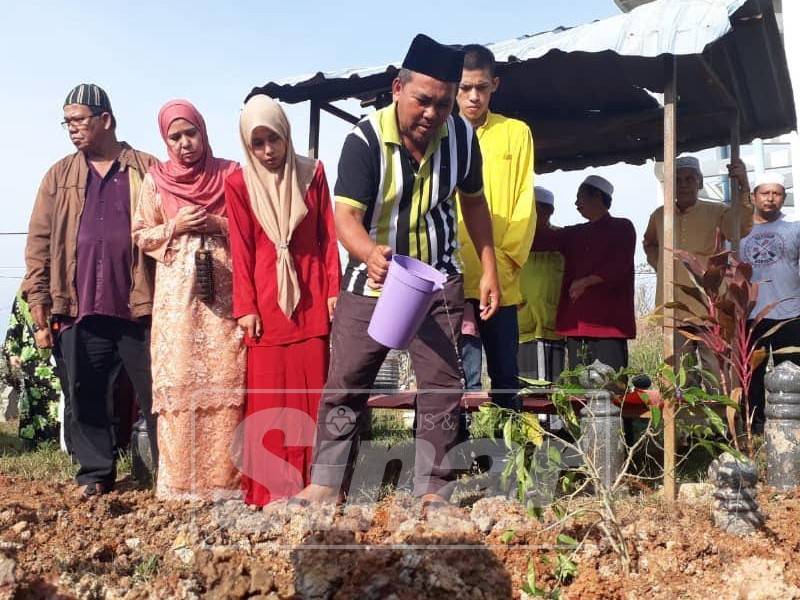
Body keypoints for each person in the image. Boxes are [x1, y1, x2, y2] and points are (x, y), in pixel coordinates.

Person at [291, 34, 500, 508]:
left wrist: (488, 268)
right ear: (397, 89)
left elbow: (474, 205)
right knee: (346, 382)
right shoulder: (364, 140)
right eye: (423, 101)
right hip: (372, 280)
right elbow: (344, 217)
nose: (432, 113)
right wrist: (369, 253)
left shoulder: (463, 138)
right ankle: (325, 485)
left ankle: (434, 491)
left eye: (443, 105)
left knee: (443, 389)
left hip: (437, 280)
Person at [23, 84, 159, 498]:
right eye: (67, 122)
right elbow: (39, 242)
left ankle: (166, 474)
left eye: (79, 120)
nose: (72, 129)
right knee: (84, 394)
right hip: (77, 306)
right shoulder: (59, 175)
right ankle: (96, 473)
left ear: (106, 119)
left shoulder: (146, 168)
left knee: (156, 394)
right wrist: (38, 302)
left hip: (139, 306)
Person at [225, 94, 341, 506]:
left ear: (285, 134)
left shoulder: (312, 174)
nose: (268, 151)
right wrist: (246, 308)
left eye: (273, 139)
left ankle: (317, 486)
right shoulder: (238, 183)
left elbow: (328, 238)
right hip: (265, 305)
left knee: (313, 397)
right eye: (258, 143)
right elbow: (240, 249)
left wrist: (333, 291)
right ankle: (271, 489)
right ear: (247, 145)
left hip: (310, 300)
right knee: (269, 399)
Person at [132, 99, 244, 501]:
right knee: (179, 381)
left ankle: (227, 485)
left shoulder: (232, 174)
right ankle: (180, 486)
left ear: (204, 131)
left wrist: (217, 223)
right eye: (174, 137)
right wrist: (175, 225)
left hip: (225, 297)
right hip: (176, 301)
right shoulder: (155, 180)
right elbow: (141, 235)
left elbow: (254, 228)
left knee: (226, 379)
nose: (184, 144)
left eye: (190, 133)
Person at [456, 44, 535, 408]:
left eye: (482, 88)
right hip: (452, 281)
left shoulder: (516, 133)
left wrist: (504, 266)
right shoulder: (441, 133)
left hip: (501, 281)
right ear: (454, 87)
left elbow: (524, 203)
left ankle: (509, 463)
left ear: (495, 85)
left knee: (506, 377)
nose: (474, 96)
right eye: (466, 87)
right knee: (459, 381)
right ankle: (456, 463)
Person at [643, 156, 752, 371]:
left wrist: (744, 185)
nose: (683, 185)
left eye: (689, 179)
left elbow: (739, 229)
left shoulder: (717, 211)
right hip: (674, 308)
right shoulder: (660, 215)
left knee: (716, 373)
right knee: (680, 376)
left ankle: (719, 406)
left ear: (699, 183)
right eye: (678, 180)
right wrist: (663, 268)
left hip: (708, 307)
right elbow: (650, 243)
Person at [534, 176, 636, 371]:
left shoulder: (622, 227)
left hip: (610, 326)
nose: (575, 203)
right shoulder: (574, 233)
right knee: (579, 390)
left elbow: (618, 266)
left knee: (610, 388)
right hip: (575, 325)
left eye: (580, 197)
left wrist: (586, 282)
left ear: (597, 196)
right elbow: (540, 242)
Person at [740, 171, 800, 433]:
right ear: (754, 196)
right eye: (765, 193)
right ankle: (755, 428)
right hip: (754, 316)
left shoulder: (794, 229)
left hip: (791, 313)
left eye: (776, 194)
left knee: (794, 372)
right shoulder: (739, 232)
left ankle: (794, 428)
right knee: (752, 376)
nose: (770, 199)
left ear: (783, 198)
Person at [517, 187, 565, 384]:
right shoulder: (516, 240)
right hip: (521, 325)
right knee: (523, 388)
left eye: (537, 209)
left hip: (551, 324)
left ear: (549, 211)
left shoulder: (561, 238)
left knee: (551, 390)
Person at [2, 289, 62, 447]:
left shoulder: (60, 288)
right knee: (33, 400)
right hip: (31, 358)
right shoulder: (24, 292)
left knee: (59, 399)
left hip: (58, 355)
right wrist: (12, 351)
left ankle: (60, 442)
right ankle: (34, 443)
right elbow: (16, 321)